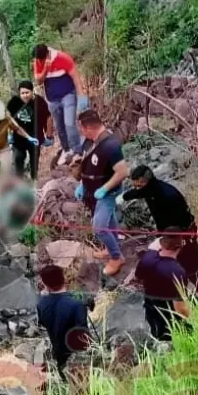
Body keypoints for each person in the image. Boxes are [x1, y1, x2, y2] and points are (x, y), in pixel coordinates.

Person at [119, 165, 198, 300]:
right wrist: (122, 197)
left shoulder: (169, 195)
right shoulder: (148, 190)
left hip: (183, 234)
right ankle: (181, 295)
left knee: (191, 267)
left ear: (145, 182)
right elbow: (134, 194)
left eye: (138, 186)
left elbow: (182, 221)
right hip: (166, 234)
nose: (136, 189)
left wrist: (169, 241)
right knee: (173, 266)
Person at [74, 109, 128, 275]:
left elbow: (123, 172)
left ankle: (116, 257)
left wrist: (104, 188)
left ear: (88, 127)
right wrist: (84, 184)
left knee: (99, 227)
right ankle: (111, 247)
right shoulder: (93, 142)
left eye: (81, 129)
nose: (80, 132)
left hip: (107, 193)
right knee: (109, 219)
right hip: (93, 190)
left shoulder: (110, 145)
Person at [32, 44, 88, 166]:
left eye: (41, 59)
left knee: (69, 123)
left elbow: (76, 78)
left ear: (47, 54)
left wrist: (82, 97)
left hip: (68, 94)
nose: (39, 61)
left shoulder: (63, 58)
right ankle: (67, 150)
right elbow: (38, 80)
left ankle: (77, 151)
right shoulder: (38, 61)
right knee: (60, 127)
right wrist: (45, 69)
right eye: (38, 60)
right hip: (52, 99)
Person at [133, 230, 192, 342]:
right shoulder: (178, 272)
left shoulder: (147, 259)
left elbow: (138, 277)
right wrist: (196, 317)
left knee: (157, 338)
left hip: (150, 312)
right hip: (169, 319)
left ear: (161, 243)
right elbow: (180, 309)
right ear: (179, 248)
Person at [36, 264, 91, 380]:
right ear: (64, 279)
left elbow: (42, 323)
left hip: (58, 355)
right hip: (76, 360)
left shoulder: (41, 304)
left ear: (45, 285)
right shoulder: (77, 304)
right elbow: (83, 336)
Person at [6, 80, 52, 180]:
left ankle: (33, 180)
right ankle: (19, 182)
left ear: (32, 92)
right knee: (18, 159)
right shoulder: (14, 102)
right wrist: (9, 133)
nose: (25, 95)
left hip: (36, 137)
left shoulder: (40, 102)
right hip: (19, 137)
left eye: (27, 93)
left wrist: (49, 135)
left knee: (34, 161)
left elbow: (48, 117)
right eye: (22, 93)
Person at [0, 99, 36, 172]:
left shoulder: (6, 117)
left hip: (3, 148)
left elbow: (17, 129)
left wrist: (28, 137)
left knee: (6, 169)